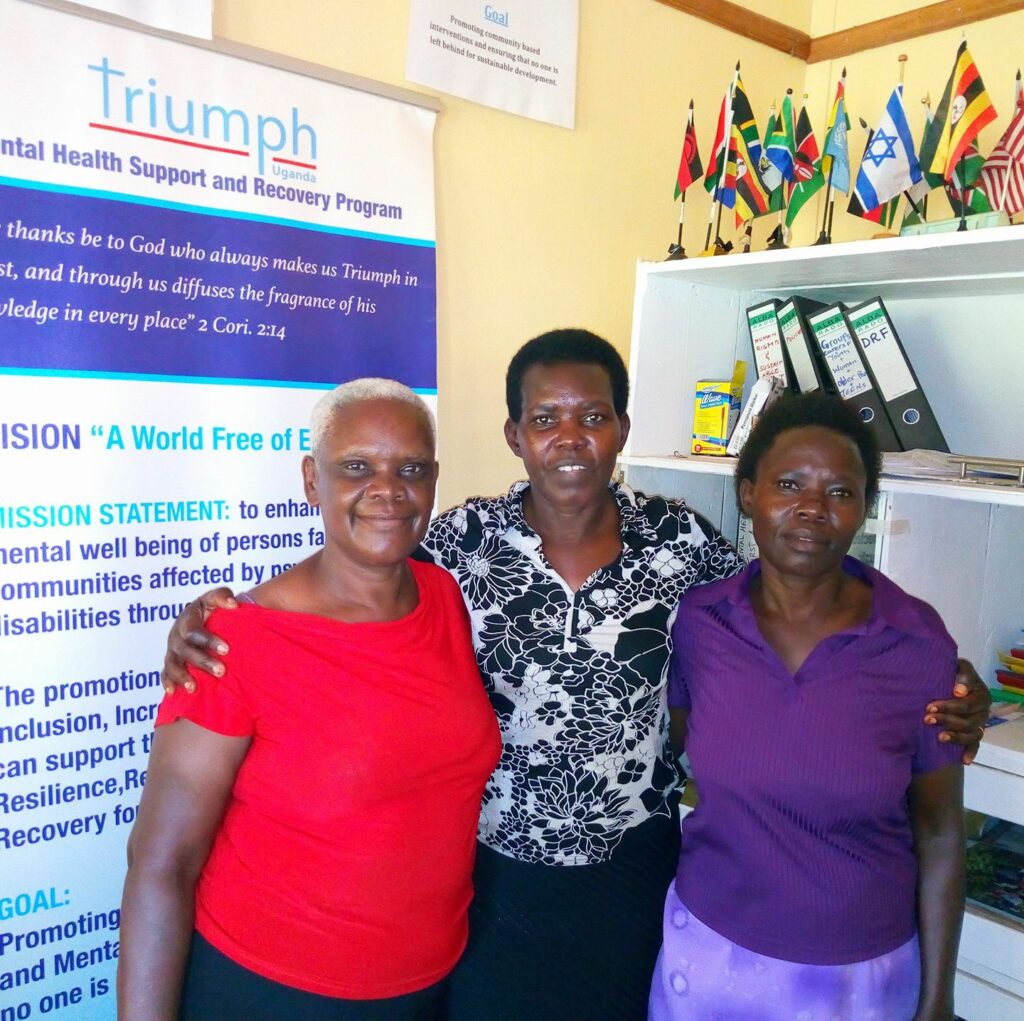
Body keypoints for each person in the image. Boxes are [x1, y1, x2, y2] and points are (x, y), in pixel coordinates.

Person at [161, 331, 989, 1020]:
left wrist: (937, 674)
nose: (569, 437)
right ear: (516, 434)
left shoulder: (685, 546)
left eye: (592, 416)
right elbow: (352, 579)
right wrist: (217, 617)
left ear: (622, 429)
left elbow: (789, 599)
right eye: (545, 418)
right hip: (490, 867)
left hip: (636, 863)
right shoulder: (458, 543)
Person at [118, 380, 501, 1021]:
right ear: (311, 480)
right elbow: (162, 862)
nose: (388, 489)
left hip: (428, 984)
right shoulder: (237, 641)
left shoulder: (443, 595)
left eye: (411, 468)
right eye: (356, 467)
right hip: (272, 990)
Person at [650, 393, 965, 1021]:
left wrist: (936, 1003)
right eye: (788, 484)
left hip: (859, 977)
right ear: (748, 494)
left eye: (840, 492)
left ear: (864, 510)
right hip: (706, 955)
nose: (812, 509)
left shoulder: (916, 642)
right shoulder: (701, 622)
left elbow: (939, 831)